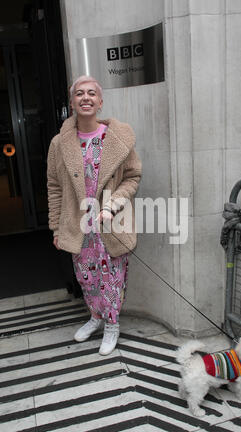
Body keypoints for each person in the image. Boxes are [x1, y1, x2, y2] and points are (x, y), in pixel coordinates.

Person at [47, 75, 142, 355]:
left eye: (91, 93)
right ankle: (96, 317)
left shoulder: (117, 138)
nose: (85, 97)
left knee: (113, 277)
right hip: (78, 225)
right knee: (86, 277)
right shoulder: (59, 144)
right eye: (79, 93)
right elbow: (54, 187)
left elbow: (133, 177)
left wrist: (112, 204)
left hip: (111, 223)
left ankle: (112, 325)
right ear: (72, 102)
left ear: (100, 102)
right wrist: (56, 229)